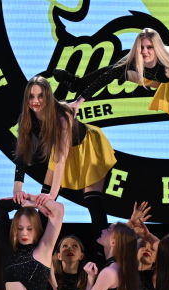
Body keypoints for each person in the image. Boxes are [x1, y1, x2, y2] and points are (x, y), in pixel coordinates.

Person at [62, 28, 169, 124]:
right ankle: (77, 84)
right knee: (115, 70)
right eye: (142, 48)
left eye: (150, 47)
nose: (144, 52)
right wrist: (78, 101)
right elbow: (105, 77)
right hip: (159, 80)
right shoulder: (133, 60)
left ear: (157, 48)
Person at [12, 76, 116, 235]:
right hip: (61, 151)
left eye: (40, 96)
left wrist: (52, 195)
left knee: (92, 201)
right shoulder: (26, 119)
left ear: (48, 96)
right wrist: (17, 189)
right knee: (43, 203)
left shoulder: (62, 116)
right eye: (31, 96)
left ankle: (103, 249)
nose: (35, 101)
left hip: (88, 149)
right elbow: (22, 153)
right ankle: (39, 247)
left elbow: (61, 159)